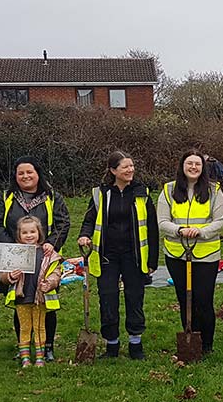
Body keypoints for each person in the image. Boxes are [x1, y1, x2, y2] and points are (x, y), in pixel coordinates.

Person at [0, 156, 70, 361]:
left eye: (29, 172)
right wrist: (11, 246)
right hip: (15, 255)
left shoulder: (52, 197)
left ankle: (47, 346)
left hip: (44, 257)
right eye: (21, 173)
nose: (25, 176)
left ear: (38, 174)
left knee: (46, 302)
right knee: (20, 300)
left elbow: (63, 223)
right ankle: (22, 345)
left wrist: (52, 243)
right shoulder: (6, 197)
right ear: (15, 176)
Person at [79, 151, 159, 359]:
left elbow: (152, 227)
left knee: (135, 298)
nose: (130, 170)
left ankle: (135, 344)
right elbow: (89, 220)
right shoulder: (100, 194)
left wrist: (152, 260)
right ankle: (111, 345)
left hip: (134, 256)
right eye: (125, 167)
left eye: (132, 166)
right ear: (113, 171)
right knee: (108, 298)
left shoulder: (142, 193)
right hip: (107, 256)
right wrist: (85, 236)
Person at [157, 150, 223, 355]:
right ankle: (190, 337)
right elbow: (162, 221)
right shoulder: (169, 190)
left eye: (197, 164)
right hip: (177, 253)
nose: (193, 167)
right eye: (189, 163)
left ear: (203, 168)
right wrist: (179, 231)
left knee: (204, 299)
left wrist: (201, 232)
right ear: (182, 166)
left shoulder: (214, 191)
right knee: (185, 298)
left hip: (206, 254)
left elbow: (219, 221)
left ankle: (207, 344)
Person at [0, 217, 62, 367]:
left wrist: (50, 284)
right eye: (25, 232)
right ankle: (25, 357)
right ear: (19, 235)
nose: (29, 235)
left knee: (40, 326)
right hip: (22, 297)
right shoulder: (14, 253)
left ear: (39, 233)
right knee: (25, 327)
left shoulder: (48, 253)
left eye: (32, 231)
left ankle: (40, 357)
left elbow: (56, 272)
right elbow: (3, 275)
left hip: (40, 297)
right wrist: (10, 276)